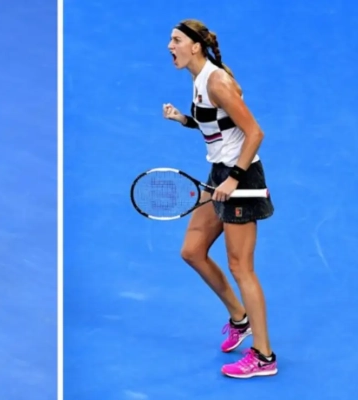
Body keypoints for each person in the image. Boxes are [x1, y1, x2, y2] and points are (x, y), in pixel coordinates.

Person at [162, 20, 277, 378]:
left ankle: (264, 356)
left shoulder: (217, 81)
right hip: (219, 174)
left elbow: (254, 133)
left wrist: (234, 178)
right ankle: (239, 318)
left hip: (240, 178)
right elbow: (216, 122)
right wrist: (183, 120)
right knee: (192, 251)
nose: (170, 46)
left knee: (241, 267)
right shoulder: (197, 78)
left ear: (195, 46)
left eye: (176, 40)